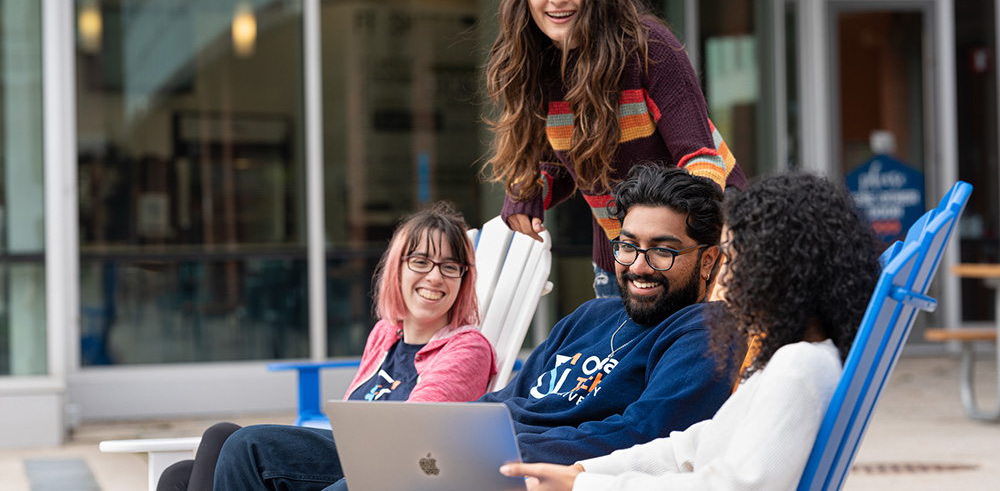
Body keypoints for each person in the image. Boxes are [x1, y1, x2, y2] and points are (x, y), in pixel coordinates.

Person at [212, 165, 740, 491]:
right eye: (628, 245)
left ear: (710, 260)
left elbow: (642, 435)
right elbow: (514, 395)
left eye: (664, 250)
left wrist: (503, 448)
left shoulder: (703, 332)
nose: (640, 264)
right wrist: (446, 430)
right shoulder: (589, 316)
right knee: (249, 449)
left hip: (512, 473)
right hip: (455, 446)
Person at [500, 172, 882, 491]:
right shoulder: (785, 364)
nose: (725, 278)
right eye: (628, 245)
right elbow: (689, 448)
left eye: (731, 259)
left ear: (779, 274)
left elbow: (733, 486)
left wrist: (586, 485)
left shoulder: (799, 367)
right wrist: (582, 473)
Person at [157, 201, 496, 491]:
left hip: (386, 469)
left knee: (245, 445)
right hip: (350, 455)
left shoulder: (467, 349)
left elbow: (407, 437)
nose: (435, 277)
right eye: (421, 262)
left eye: (450, 267)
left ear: (463, 280)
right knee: (181, 474)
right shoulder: (385, 334)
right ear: (398, 270)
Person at [486, 0, 748, 298]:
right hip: (620, 257)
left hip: (705, 248)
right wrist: (527, 193)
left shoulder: (648, 48)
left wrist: (686, 253)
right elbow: (563, 162)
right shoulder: (539, 66)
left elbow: (702, 164)